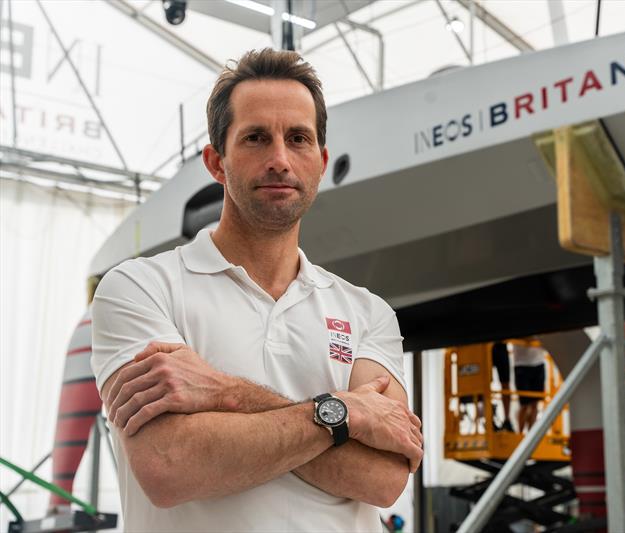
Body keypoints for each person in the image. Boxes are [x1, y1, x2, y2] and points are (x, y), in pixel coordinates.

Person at [90, 48, 423, 532]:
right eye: (255, 138)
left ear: (321, 161)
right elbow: (169, 466)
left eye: (298, 139)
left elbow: (383, 477)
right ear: (216, 162)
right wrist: (346, 413)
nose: (280, 159)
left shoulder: (366, 312)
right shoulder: (140, 288)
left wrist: (225, 393)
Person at [510, 338, 547, 433]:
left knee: (535, 403)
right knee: (524, 404)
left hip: (539, 362)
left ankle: (531, 433)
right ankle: (520, 434)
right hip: (521, 363)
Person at [491, 341, 514, 432]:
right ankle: (489, 417)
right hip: (485, 345)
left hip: (500, 345)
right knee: (484, 383)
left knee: (505, 383)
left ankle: (507, 420)